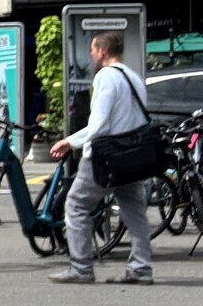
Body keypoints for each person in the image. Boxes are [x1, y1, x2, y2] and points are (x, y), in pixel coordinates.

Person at [50, 28, 156, 285]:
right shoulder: (134, 77)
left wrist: (69, 141)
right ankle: (141, 268)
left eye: (93, 50)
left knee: (75, 205)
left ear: (103, 51)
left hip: (105, 156)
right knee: (134, 211)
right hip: (132, 157)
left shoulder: (106, 77)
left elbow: (99, 125)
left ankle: (81, 267)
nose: (91, 56)